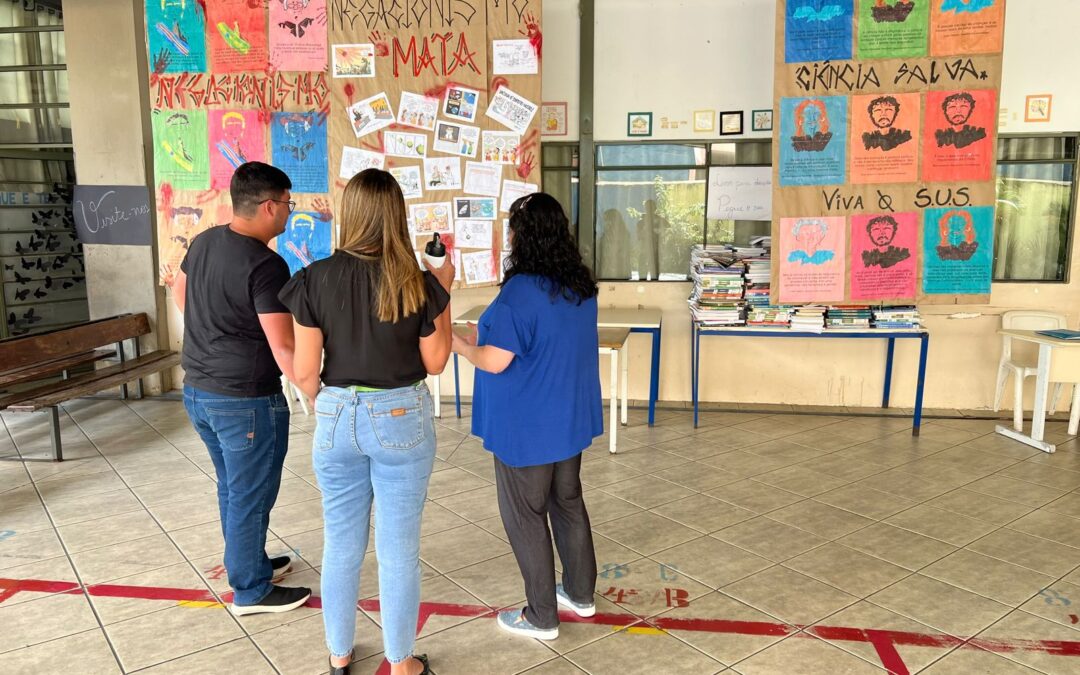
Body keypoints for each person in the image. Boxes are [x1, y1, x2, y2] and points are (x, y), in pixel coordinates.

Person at [279, 168, 454, 675]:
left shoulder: (313, 278)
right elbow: (437, 360)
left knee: (341, 543)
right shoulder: (417, 283)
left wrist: (332, 403)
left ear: (349, 214)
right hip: (401, 416)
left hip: (336, 414)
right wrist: (442, 287)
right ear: (397, 217)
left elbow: (306, 371)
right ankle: (401, 664)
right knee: (399, 550)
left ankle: (338, 656)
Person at [451, 192, 602, 641]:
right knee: (568, 504)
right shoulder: (577, 285)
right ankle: (579, 594)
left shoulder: (520, 290)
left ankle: (541, 615)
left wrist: (459, 344)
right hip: (567, 419)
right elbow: (539, 337)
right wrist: (484, 332)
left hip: (526, 426)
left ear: (523, 235)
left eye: (512, 228)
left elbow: (496, 361)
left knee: (526, 514)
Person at [170, 161, 311, 616]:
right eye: (288, 204)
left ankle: (250, 562)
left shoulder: (206, 241)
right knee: (250, 492)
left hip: (199, 392)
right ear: (269, 206)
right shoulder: (266, 265)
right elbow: (284, 346)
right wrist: (318, 390)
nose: (289, 213)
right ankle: (250, 588)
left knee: (234, 486)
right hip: (245, 400)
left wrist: (215, 333)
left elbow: (180, 294)